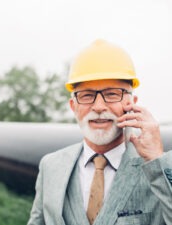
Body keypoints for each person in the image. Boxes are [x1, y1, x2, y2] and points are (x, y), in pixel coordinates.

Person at [27, 39, 172, 225]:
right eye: (87, 95)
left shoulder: (161, 167)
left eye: (112, 94)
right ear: (73, 106)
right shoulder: (51, 166)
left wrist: (155, 161)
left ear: (131, 102)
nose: (98, 106)